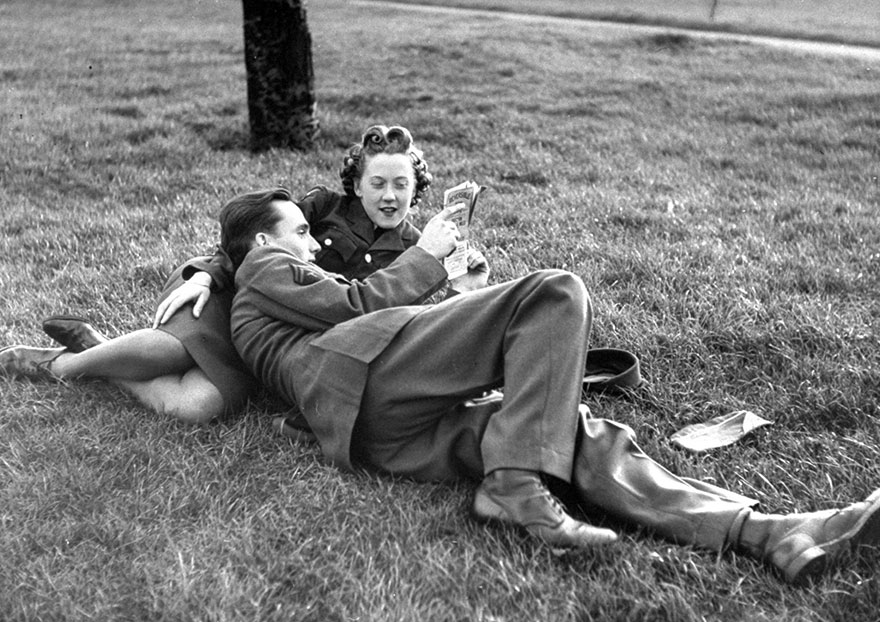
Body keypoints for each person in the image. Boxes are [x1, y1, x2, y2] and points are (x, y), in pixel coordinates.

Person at [223, 186, 880, 585]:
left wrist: (457, 299)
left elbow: (347, 308)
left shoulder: (260, 292)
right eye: (302, 231)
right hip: (361, 377)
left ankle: (772, 533)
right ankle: (512, 487)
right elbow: (357, 306)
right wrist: (426, 256)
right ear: (259, 241)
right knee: (554, 292)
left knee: (569, 430)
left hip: (378, 429)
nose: (312, 244)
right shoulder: (263, 263)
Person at [0, 125, 451, 423]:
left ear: (417, 188)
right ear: (357, 184)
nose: (389, 196)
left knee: (199, 407)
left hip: (277, 338)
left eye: (401, 185)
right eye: (378, 183)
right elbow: (250, 236)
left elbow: (398, 317)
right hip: (234, 292)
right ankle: (60, 366)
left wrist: (461, 283)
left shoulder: (419, 250)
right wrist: (205, 274)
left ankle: (100, 352)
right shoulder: (322, 208)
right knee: (173, 351)